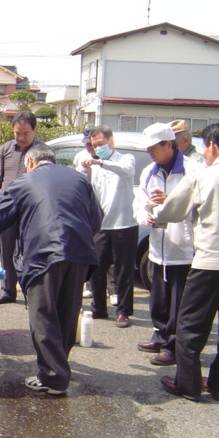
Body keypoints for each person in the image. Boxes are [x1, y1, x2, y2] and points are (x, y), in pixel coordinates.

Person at [0, 144, 102, 395]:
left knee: (42, 315)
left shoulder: (25, 181)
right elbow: (97, 218)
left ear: (30, 163)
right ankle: (58, 368)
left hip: (44, 255)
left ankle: (53, 377)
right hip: (80, 253)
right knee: (67, 313)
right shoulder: (79, 179)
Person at [154, 123, 219, 402]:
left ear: (212, 146)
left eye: (205, 147)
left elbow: (173, 211)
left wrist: (154, 210)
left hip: (210, 262)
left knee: (189, 326)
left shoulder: (204, 176)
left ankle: (189, 385)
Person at [134, 123, 201, 366]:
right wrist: (146, 217)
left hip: (183, 249)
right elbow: (139, 202)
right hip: (158, 247)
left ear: (168, 144)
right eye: (148, 148)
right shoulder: (149, 172)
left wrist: (170, 201)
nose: (150, 153)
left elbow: (199, 206)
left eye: (154, 147)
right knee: (158, 299)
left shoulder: (193, 170)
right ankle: (159, 335)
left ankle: (173, 346)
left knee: (179, 302)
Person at [0, 110, 43, 304]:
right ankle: (8, 291)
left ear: (34, 131)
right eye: (17, 133)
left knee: (30, 251)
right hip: (7, 208)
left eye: (26, 133)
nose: (21, 137)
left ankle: (31, 292)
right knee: (7, 250)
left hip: (31, 210)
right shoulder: (6, 149)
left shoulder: (42, 151)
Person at [81, 125, 137, 328]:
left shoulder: (126, 159)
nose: (97, 148)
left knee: (124, 269)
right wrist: (87, 169)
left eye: (101, 144)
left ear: (111, 141)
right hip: (101, 224)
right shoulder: (93, 164)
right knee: (96, 267)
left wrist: (100, 162)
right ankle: (99, 307)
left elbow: (126, 171)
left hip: (124, 223)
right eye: (94, 146)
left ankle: (123, 311)